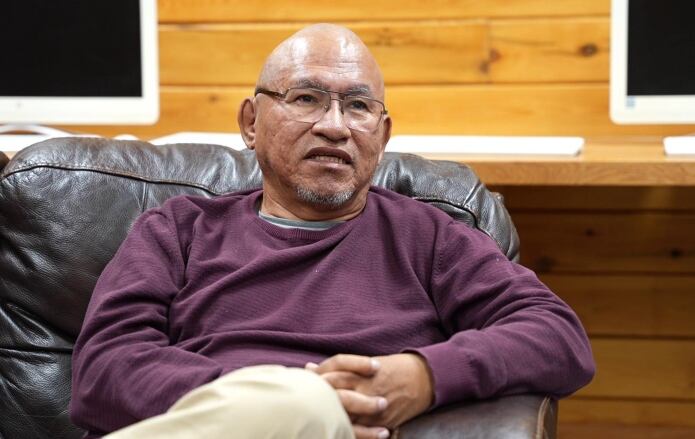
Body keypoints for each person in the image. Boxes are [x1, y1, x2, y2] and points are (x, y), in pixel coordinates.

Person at [69, 24, 595, 439]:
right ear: (251, 122)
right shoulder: (178, 230)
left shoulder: (430, 237)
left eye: (359, 106)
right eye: (306, 98)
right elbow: (103, 373)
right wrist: (274, 402)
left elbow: (558, 337)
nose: (336, 125)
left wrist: (423, 377)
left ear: (382, 135)